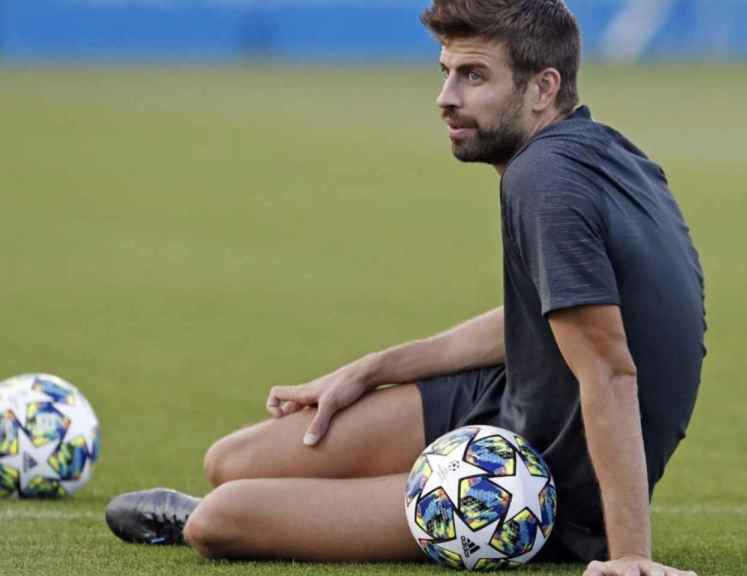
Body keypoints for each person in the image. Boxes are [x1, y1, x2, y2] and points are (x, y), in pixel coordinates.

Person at [105, 1, 706, 574]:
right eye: (446, 73)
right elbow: (550, 316)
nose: (446, 99)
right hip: (515, 399)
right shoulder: (597, 148)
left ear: (543, 87)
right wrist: (374, 368)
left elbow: (609, 368)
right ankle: (300, 507)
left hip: (530, 478)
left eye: (474, 76)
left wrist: (628, 553)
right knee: (230, 462)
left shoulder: (543, 178)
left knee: (219, 519)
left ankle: (244, 518)